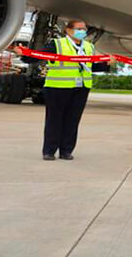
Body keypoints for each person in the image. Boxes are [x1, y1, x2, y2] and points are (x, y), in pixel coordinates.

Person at [40, 19, 116, 160]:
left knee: (72, 121)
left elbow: (89, 66)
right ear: (68, 30)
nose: (82, 32)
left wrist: (106, 65)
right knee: (54, 120)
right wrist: (24, 54)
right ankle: (49, 151)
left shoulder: (88, 47)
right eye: (79, 29)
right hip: (58, 88)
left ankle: (66, 151)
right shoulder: (57, 44)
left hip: (80, 88)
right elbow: (39, 56)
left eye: (84, 29)